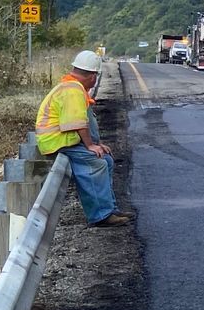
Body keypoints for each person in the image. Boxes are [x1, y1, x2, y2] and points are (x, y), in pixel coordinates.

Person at [34, 51, 132, 227]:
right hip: (57, 142)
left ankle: (110, 209)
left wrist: (95, 144)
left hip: (65, 139)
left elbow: (83, 122)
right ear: (93, 76)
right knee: (96, 163)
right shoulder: (72, 90)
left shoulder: (72, 87)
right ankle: (100, 216)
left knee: (107, 160)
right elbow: (77, 123)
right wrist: (90, 146)